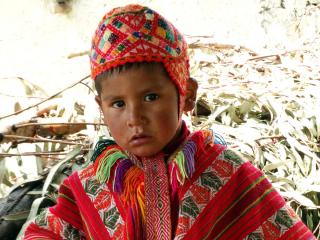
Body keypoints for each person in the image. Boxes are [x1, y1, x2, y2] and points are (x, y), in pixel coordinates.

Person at [22, 4, 316, 240]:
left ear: (186, 95)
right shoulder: (88, 187)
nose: (135, 119)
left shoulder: (226, 173)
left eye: (151, 97)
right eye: (118, 104)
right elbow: (45, 232)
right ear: (101, 108)